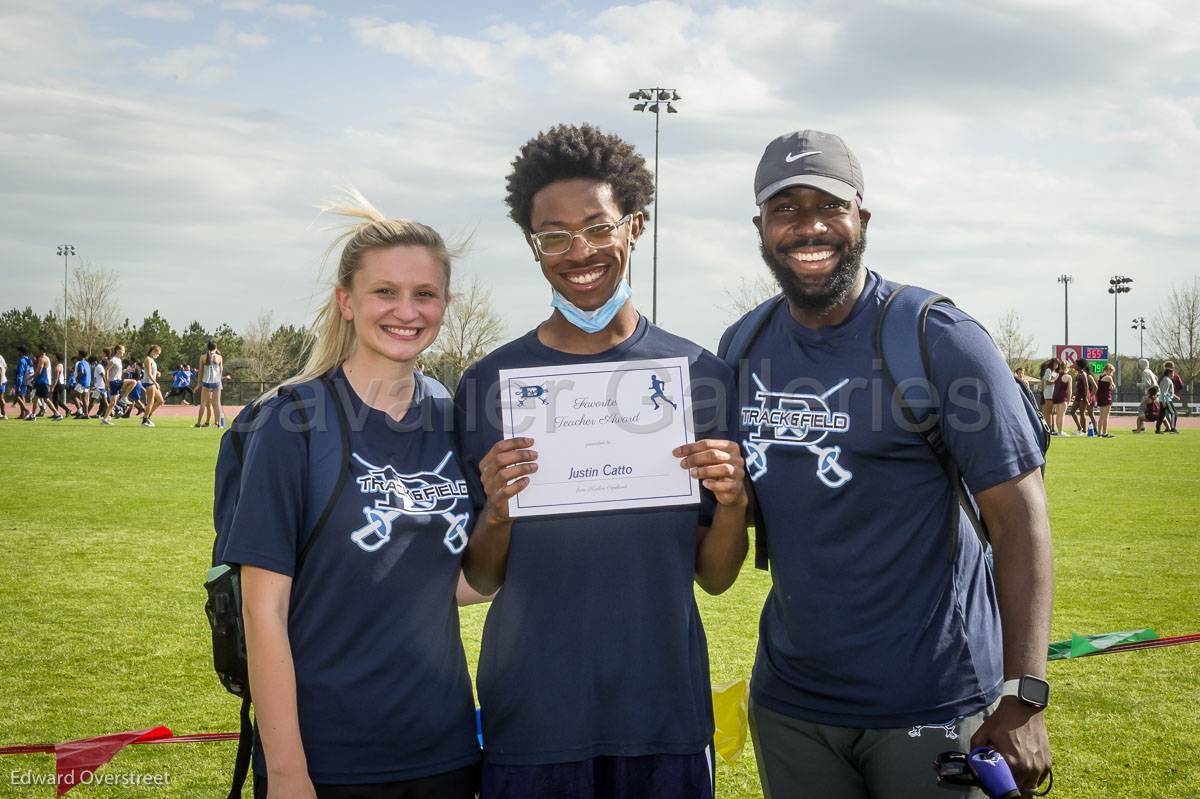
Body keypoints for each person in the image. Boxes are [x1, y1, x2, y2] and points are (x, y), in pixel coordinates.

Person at [724, 129, 1052, 798]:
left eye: (829, 206)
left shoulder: (940, 339)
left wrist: (1023, 697)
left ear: (861, 219)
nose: (809, 226)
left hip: (932, 702)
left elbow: (1020, 523)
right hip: (791, 703)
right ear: (760, 226)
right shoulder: (742, 344)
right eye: (786, 209)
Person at [455, 124, 748, 799]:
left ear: (635, 226)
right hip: (532, 715)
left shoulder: (700, 376)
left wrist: (732, 502)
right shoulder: (488, 383)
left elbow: (717, 575)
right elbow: (481, 573)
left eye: (596, 227)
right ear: (532, 247)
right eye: (553, 236)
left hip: (664, 714)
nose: (578, 251)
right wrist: (498, 509)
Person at [219, 194, 482, 799]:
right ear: (347, 302)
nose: (406, 311)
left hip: (443, 748)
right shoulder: (293, 425)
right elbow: (264, 613)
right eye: (384, 291)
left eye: (425, 293)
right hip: (326, 758)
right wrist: (287, 773)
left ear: (444, 304)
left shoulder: (452, 415)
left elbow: (454, 584)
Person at [196, 342, 224, 428]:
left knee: (203, 403)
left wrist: (198, 384)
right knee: (217, 403)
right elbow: (221, 371)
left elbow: (200, 371)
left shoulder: (203, 357)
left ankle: (198, 423)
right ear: (216, 348)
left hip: (206, 382)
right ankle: (218, 423)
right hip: (216, 382)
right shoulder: (219, 357)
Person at [100, 344, 126, 425]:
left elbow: (117, 372)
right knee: (133, 382)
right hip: (114, 382)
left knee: (113, 402)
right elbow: (106, 370)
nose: (124, 352)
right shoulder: (113, 360)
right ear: (118, 350)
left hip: (118, 381)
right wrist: (106, 382)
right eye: (123, 350)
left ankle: (105, 419)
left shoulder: (119, 360)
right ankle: (124, 398)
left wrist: (125, 371)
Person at [1134, 358, 1157, 433]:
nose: (1138, 365)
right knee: (1155, 408)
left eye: (1139, 363)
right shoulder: (1149, 371)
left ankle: (1141, 427)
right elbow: (1156, 378)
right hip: (1155, 393)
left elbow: (1148, 384)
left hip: (1149, 393)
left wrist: (1138, 384)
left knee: (1141, 408)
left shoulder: (1145, 372)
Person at [1158, 366, 1180, 434]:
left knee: (1161, 415)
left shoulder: (1165, 379)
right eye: (1173, 373)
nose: (1174, 375)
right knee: (1174, 413)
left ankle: (1157, 430)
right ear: (1169, 373)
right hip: (1167, 400)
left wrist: (1175, 396)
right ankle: (1172, 429)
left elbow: (1166, 392)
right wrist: (1164, 402)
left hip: (1163, 399)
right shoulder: (1167, 380)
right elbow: (1164, 392)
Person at [1096, 363, 1116, 437]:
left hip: (1100, 398)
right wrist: (1113, 385)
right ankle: (1105, 433)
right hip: (1107, 397)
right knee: (1106, 416)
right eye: (1112, 372)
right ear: (1109, 370)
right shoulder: (1109, 378)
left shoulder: (1100, 376)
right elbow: (1112, 387)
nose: (1112, 374)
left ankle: (1099, 432)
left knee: (1101, 416)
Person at [13, 347, 32, 421]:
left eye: (18, 352)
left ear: (21, 352)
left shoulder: (21, 360)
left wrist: (18, 384)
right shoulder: (27, 360)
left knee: (17, 396)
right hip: (26, 380)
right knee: (21, 396)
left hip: (22, 381)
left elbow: (20, 373)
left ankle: (27, 410)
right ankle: (22, 414)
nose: (17, 353)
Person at [71, 350, 91, 418]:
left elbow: (82, 372)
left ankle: (80, 411)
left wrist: (77, 378)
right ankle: (86, 414)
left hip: (82, 383)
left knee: (73, 394)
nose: (77, 355)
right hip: (87, 383)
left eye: (78, 354)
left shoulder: (80, 363)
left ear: (80, 355)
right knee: (83, 399)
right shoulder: (87, 363)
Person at [1037, 358, 1059, 422]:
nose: (1056, 365)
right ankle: (1048, 427)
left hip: (1053, 394)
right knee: (1048, 411)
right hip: (1048, 393)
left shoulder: (1055, 372)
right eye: (1055, 363)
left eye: (1057, 363)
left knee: (1052, 412)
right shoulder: (1048, 370)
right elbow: (1047, 382)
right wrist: (1056, 380)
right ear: (1051, 363)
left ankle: (1051, 428)